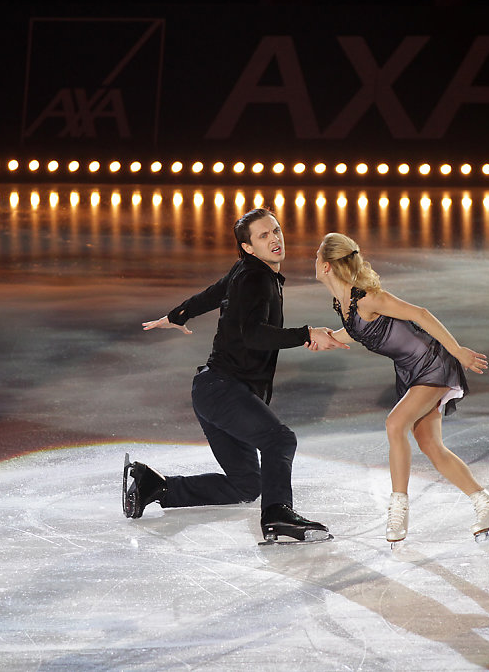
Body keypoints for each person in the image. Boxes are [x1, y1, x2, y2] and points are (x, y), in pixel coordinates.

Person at [133, 208, 349, 544]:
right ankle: (277, 516)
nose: (275, 238)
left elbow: (215, 292)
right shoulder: (255, 277)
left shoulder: (246, 271)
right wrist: (306, 333)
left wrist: (179, 314)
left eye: (275, 230)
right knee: (279, 440)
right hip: (222, 389)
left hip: (212, 391)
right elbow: (254, 335)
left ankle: (156, 486)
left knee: (246, 484)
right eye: (264, 236)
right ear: (248, 247)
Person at [314, 232, 489, 544]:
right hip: (410, 371)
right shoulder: (345, 304)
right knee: (431, 446)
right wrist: (328, 338)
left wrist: (458, 350)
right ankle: (487, 506)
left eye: (317, 257)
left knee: (395, 424)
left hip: (432, 363)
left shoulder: (366, 297)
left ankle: (399, 509)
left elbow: (419, 314)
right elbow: (359, 332)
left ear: (326, 266)